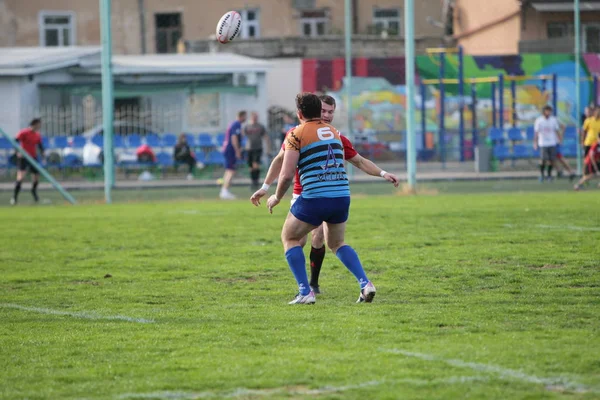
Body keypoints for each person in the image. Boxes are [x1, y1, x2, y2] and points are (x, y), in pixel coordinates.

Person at [251, 94, 399, 294]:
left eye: (331, 112)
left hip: (313, 196)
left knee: (296, 238)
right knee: (330, 242)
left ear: (300, 113)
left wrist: (276, 196)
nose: (327, 115)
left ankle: (307, 289)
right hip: (331, 195)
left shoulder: (300, 134)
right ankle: (364, 284)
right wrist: (265, 186)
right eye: (324, 111)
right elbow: (280, 159)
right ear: (315, 111)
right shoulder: (332, 134)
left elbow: (286, 173)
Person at [11, 118, 44, 205]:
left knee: (36, 177)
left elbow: (40, 146)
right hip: (23, 157)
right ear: (34, 124)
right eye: (38, 124)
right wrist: (17, 152)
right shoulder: (24, 132)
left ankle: (34, 192)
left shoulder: (37, 135)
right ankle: (14, 197)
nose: (40, 126)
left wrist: (43, 155)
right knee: (21, 177)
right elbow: (15, 141)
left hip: (33, 157)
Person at [220, 111, 246, 200]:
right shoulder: (237, 124)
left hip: (227, 149)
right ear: (241, 116)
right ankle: (225, 191)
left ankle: (224, 191)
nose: (246, 119)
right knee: (231, 171)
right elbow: (234, 138)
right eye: (245, 116)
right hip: (230, 149)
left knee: (228, 170)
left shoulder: (233, 124)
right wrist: (237, 150)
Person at [243, 112, 270, 190]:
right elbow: (242, 136)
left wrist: (268, 148)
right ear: (251, 117)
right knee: (251, 166)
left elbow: (266, 137)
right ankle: (252, 182)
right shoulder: (247, 126)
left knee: (256, 165)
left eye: (256, 117)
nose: (255, 118)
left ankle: (256, 182)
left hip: (257, 148)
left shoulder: (260, 126)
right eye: (254, 117)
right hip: (249, 148)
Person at [533, 105, 560, 182]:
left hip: (552, 142)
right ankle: (542, 175)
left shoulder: (553, 120)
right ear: (544, 112)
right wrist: (535, 143)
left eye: (549, 111)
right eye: (547, 111)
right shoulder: (539, 120)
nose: (548, 112)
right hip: (543, 143)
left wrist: (559, 139)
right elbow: (536, 133)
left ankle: (549, 175)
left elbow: (557, 130)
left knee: (551, 160)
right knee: (543, 160)